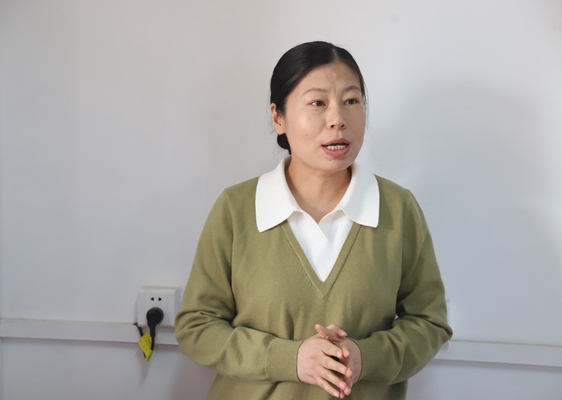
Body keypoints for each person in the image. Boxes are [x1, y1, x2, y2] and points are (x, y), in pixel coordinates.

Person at [175, 41, 452, 400]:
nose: (338, 119)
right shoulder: (236, 209)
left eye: (351, 101)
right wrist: (290, 359)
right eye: (317, 103)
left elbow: (430, 322)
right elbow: (196, 327)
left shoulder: (398, 209)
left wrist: (365, 357)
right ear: (278, 118)